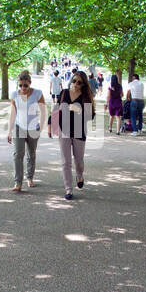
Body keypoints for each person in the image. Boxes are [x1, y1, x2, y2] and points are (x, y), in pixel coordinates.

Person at [53, 71, 95, 199]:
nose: (76, 84)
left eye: (79, 82)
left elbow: (90, 116)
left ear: (83, 84)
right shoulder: (64, 92)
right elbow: (56, 109)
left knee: (79, 161)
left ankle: (80, 175)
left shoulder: (86, 97)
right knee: (66, 162)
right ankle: (68, 189)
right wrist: (51, 125)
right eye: (74, 80)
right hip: (64, 130)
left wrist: (77, 109)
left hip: (79, 131)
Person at [7, 70, 47, 192]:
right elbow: (13, 113)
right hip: (19, 127)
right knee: (18, 154)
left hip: (33, 127)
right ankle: (18, 182)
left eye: (25, 85)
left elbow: (43, 111)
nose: (23, 88)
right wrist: (9, 131)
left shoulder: (37, 94)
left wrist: (41, 126)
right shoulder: (14, 95)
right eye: (20, 85)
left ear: (30, 83)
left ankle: (29, 177)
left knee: (31, 154)